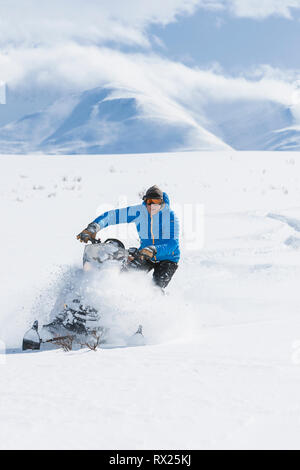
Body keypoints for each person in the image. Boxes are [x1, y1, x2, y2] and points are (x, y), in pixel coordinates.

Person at [77, 185, 180, 288]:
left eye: (156, 202)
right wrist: (94, 227)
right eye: (149, 202)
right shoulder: (139, 212)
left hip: (168, 258)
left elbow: (172, 244)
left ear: (161, 202)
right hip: (145, 254)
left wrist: (153, 249)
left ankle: (158, 302)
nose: (152, 206)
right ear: (145, 202)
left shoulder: (170, 217)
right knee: (125, 277)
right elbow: (113, 216)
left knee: (156, 288)